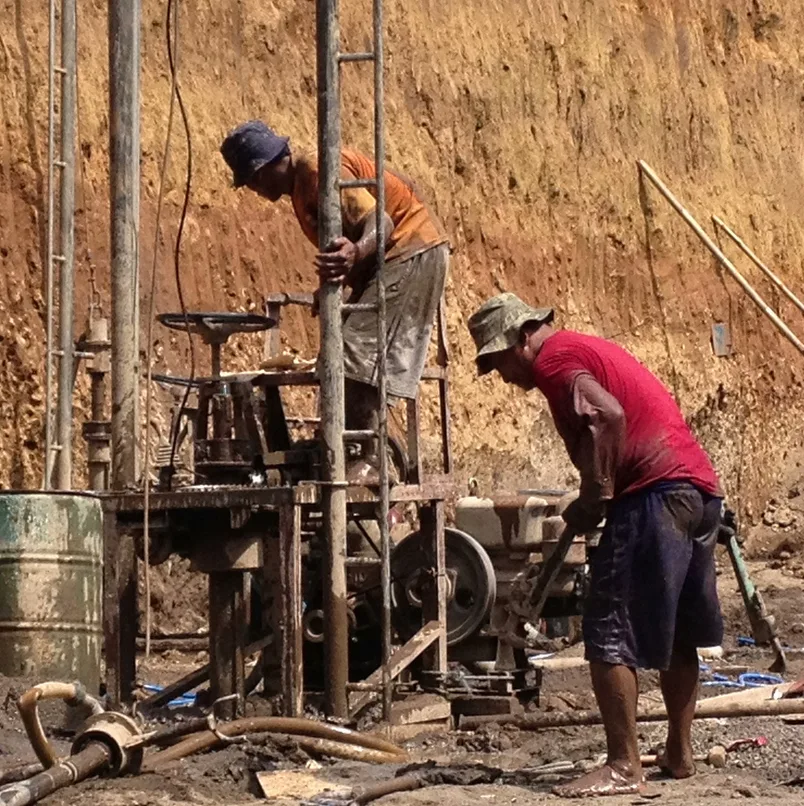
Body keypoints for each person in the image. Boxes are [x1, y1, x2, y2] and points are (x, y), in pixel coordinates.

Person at [468, 292, 724, 798]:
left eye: (498, 361)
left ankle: (623, 765)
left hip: (653, 493)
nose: (500, 375)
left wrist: (596, 493)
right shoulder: (580, 350)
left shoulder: (557, 362)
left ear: (523, 337)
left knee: (608, 629)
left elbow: (607, 418)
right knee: (678, 633)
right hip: (697, 489)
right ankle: (678, 750)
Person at [220, 120, 449, 482]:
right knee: (339, 351)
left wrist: (355, 252)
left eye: (250, 181)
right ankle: (356, 446)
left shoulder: (315, 170)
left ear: (262, 170)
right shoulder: (301, 188)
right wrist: (340, 281)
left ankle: (374, 459)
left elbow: (381, 222)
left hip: (408, 250)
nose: (253, 190)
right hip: (385, 262)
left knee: (352, 351)